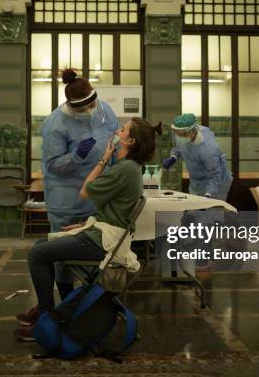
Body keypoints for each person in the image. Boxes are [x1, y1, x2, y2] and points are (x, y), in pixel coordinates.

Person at [13, 118, 162, 341]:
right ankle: (50, 315)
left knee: (37, 255)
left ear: (129, 140)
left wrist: (103, 158)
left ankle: (45, 321)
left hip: (103, 241)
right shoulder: (128, 168)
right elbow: (111, 210)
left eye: (122, 129)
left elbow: (85, 191)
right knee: (40, 245)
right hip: (101, 231)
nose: (117, 130)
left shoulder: (125, 169)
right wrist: (85, 225)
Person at [38, 68, 119, 301]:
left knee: (96, 249)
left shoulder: (104, 110)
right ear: (71, 106)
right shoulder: (55, 125)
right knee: (63, 254)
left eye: (92, 106)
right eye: (83, 109)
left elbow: (113, 141)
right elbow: (53, 165)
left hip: (98, 195)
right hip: (66, 199)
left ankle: (89, 301)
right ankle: (66, 302)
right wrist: (76, 157)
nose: (90, 112)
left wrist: (116, 172)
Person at [162, 113, 232, 201]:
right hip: (196, 182)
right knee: (195, 211)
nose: (178, 136)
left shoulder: (208, 149)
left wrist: (208, 195)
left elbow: (215, 176)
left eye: (181, 134)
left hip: (215, 185)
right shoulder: (182, 136)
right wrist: (173, 157)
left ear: (191, 132)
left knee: (211, 212)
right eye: (176, 133)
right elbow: (179, 147)